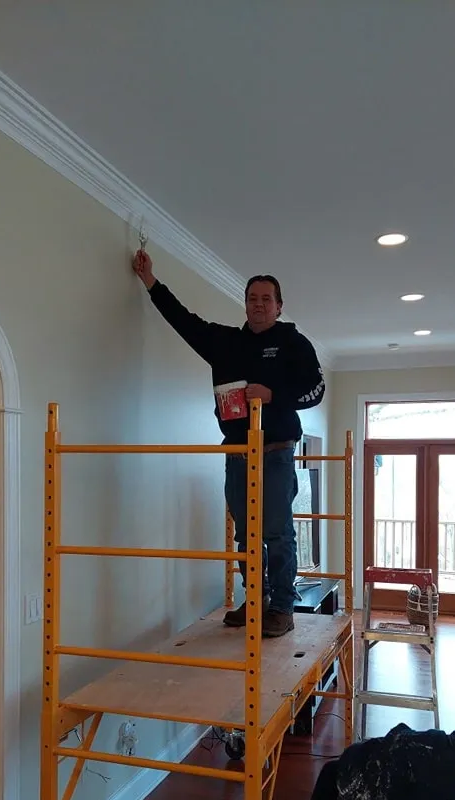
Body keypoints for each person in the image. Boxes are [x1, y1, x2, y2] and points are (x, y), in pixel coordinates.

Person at [132, 249, 325, 638]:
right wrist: (150, 281)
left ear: (279, 306)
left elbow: (316, 390)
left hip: (276, 453)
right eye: (253, 299)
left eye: (266, 299)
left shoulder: (293, 343)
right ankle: (257, 600)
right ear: (246, 304)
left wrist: (273, 395)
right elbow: (184, 321)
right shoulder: (225, 342)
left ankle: (283, 608)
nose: (258, 305)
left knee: (276, 532)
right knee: (245, 535)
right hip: (237, 455)